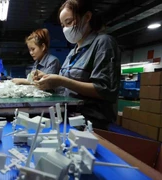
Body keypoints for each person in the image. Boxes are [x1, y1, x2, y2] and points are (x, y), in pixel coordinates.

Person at [33, 0, 121, 130]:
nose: (65, 29)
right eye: (63, 25)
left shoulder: (103, 43)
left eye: (68, 22)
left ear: (87, 17)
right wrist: (48, 79)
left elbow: (105, 90)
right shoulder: (73, 52)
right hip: (68, 117)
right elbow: (66, 86)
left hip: (91, 123)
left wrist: (61, 80)